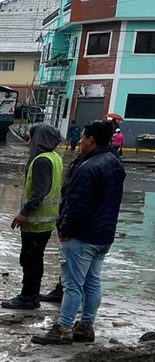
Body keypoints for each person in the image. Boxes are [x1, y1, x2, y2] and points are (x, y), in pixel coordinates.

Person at [33, 120, 125, 345]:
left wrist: (65, 230)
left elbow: (78, 205)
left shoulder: (89, 167)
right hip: (104, 235)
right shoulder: (114, 163)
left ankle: (63, 328)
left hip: (82, 236)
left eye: (83, 137)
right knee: (92, 281)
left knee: (72, 284)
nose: (80, 141)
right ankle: (86, 325)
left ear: (91, 140)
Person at [1, 124, 63, 310]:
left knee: (30, 260)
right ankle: (32, 295)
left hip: (36, 222)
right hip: (46, 221)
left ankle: (28, 297)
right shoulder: (55, 158)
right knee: (35, 258)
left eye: (31, 138)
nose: (28, 142)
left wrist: (23, 213)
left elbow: (38, 193)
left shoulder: (41, 161)